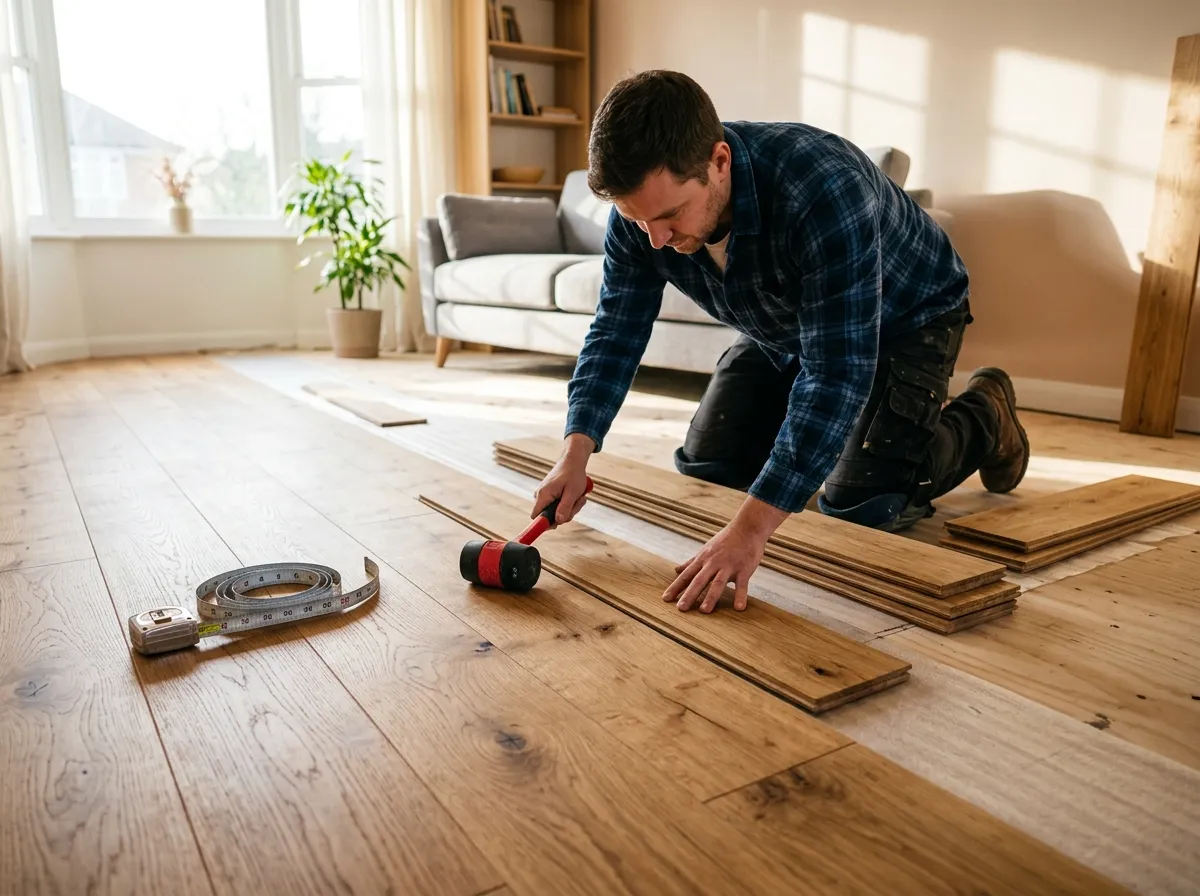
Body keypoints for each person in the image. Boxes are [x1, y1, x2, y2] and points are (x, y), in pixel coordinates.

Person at [530, 70, 1029, 616]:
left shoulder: (823, 188)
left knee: (859, 505)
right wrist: (574, 451)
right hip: (782, 327)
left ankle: (985, 414)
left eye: (671, 216)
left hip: (907, 319)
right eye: (636, 219)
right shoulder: (644, 213)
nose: (657, 239)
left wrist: (751, 530)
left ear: (719, 161)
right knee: (708, 470)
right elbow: (617, 327)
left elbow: (837, 372)